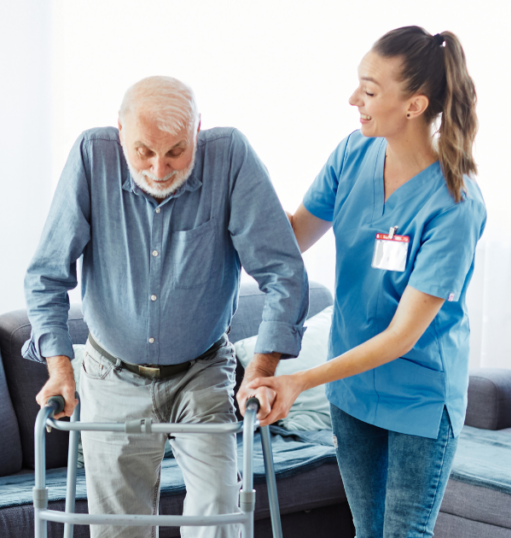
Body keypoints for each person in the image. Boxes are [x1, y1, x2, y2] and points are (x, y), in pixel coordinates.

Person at [22, 76, 308, 538]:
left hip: (201, 370)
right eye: (144, 152)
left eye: (176, 151)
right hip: (111, 373)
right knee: (118, 529)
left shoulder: (230, 156)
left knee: (219, 510)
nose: (159, 168)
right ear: (120, 133)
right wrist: (59, 367)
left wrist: (261, 369)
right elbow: (46, 274)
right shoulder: (91, 156)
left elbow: (283, 271)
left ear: (199, 130)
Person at [247, 27, 486, 538]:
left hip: (420, 398)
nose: (354, 99)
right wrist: (230, 184)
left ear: (414, 105)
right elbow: (291, 238)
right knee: (366, 532)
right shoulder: (352, 155)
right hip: (352, 390)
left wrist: (299, 380)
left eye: (370, 91)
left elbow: (403, 336)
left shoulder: (454, 204)